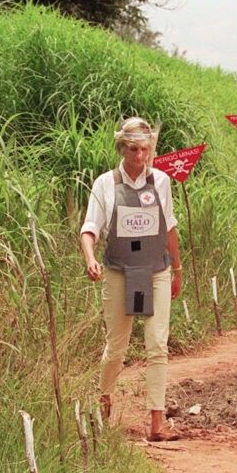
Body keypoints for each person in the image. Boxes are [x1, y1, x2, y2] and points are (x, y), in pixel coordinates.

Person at [80, 117, 183, 441]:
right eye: (133, 149)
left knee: (157, 346)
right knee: (116, 347)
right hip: (118, 272)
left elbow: (169, 228)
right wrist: (90, 259)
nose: (140, 156)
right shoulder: (105, 184)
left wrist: (177, 269)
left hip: (156, 271)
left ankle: (157, 421)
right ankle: (104, 402)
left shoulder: (162, 182)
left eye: (145, 149)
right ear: (122, 148)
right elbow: (89, 229)